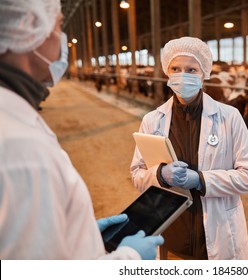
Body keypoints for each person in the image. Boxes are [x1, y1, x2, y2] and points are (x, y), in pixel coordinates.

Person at [0, 0, 163, 259]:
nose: (62, 40)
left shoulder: (14, 118)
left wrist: (80, 235)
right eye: (59, 26)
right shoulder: (22, 151)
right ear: (29, 28)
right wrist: (127, 259)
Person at [130, 36, 248, 260]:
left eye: (191, 69)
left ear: (204, 74)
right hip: (172, 234)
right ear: (167, 72)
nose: (183, 75)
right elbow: (137, 175)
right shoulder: (153, 120)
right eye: (176, 68)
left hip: (216, 233)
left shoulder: (229, 117)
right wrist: (160, 175)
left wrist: (201, 180)